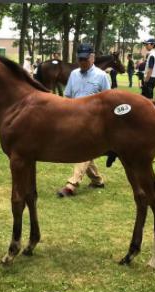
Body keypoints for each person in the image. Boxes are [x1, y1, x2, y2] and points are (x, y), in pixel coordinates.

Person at [56, 44, 110, 198]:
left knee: (83, 149)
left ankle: (71, 184)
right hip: (75, 119)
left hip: (94, 122)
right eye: (80, 59)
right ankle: (97, 180)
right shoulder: (73, 74)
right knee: (85, 151)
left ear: (92, 58)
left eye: (85, 59)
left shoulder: (101, 76)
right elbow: (67, 97)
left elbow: (108, 100)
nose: (82, 62)